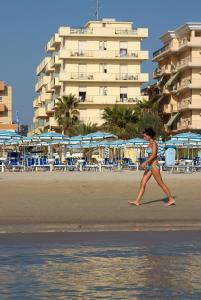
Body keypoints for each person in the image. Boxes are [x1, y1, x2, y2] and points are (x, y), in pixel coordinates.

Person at [129, 128, 175, 207]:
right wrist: (147, 164)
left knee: (160, 183)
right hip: (149, 166)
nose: (144, 138)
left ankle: (171, 199)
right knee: (142, 183)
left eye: (145, 136)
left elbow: (154, 155)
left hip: (154, 166)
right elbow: (150, 156)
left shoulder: (154, 143)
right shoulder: (149, 143)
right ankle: (137, 201)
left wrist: (145, 162)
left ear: (149, 136)